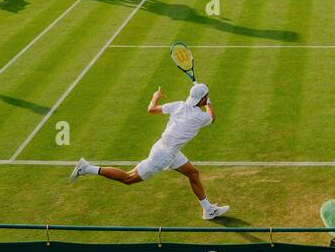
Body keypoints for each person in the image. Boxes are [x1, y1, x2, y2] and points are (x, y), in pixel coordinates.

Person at [69, 80, 230, 221]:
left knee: (193, 173)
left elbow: (151, 109)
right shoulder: (199, 117)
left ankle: (208, 210)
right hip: (163, 156)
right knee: (128, 178)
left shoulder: (178, 105)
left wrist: (156, 96)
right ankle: (86, 168)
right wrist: (208, 101)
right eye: (205, 96)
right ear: (202, 98)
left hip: (164, 147)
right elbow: (212, 117)